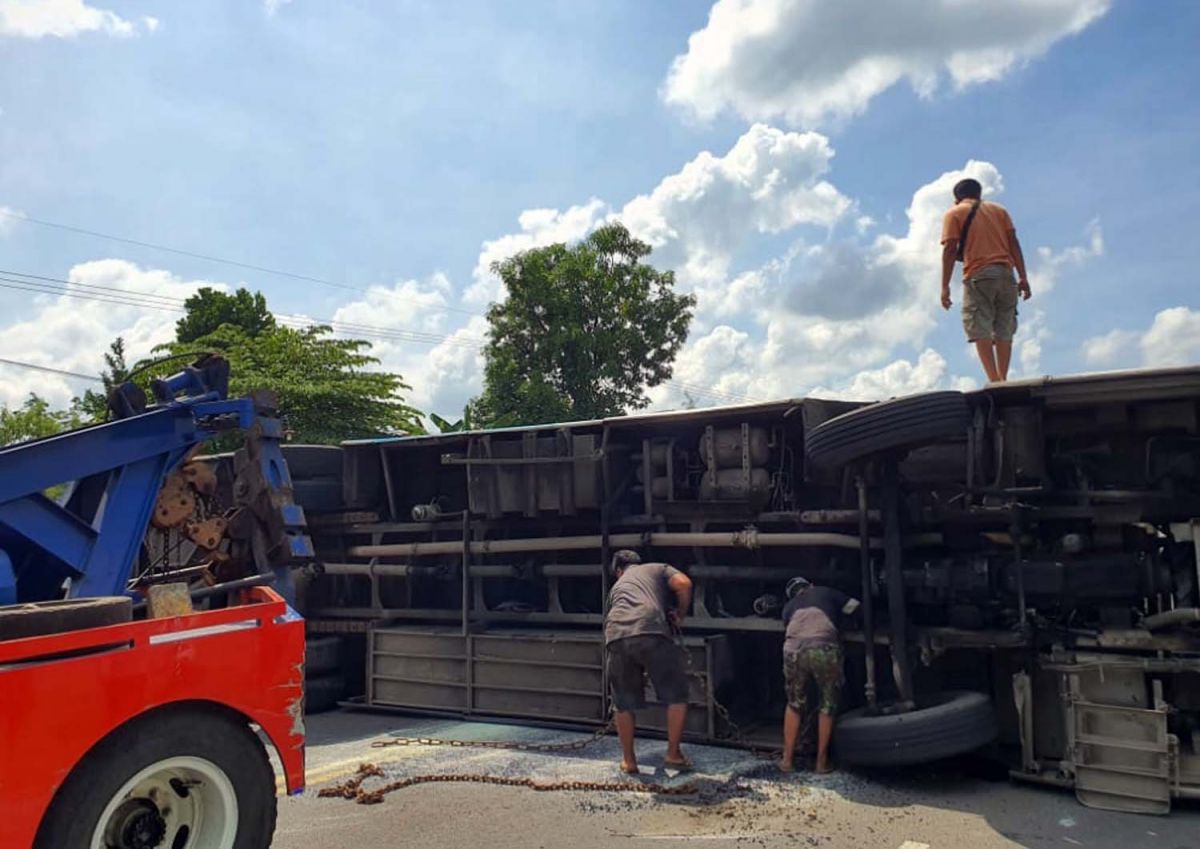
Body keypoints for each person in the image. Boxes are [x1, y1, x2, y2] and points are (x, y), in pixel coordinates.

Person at [603, 549, 694, 774]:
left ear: (618, 571)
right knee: (677, 695)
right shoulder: (657, 568)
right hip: (651, 629)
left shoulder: (616, 587)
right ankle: (673, 754)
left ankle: (629, 761)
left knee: (623, 703)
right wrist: (680, 614)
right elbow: (683, 583)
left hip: (615, 634)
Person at [940, 177, 1032, 383]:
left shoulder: (954, 213)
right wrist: (1023, 277)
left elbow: (949, 249)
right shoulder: (999, 211)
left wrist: (945, 287)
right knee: (1004, 325)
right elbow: (1014, 243)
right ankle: (1003, 376)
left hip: (979, 274)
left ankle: (994, 379)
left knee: (978, 324)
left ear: (956, 199)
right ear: (980, 194)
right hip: (1007, 274)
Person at [779, 576, 859, 774]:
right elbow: (854, 606)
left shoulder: (788, 607)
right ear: (810, 586)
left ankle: (787, 760)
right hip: (823, 648)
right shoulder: (826, 591)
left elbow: (788, 628)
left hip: (793, 651)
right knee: (827, 704)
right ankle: (821, 762)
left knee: (794, 704)